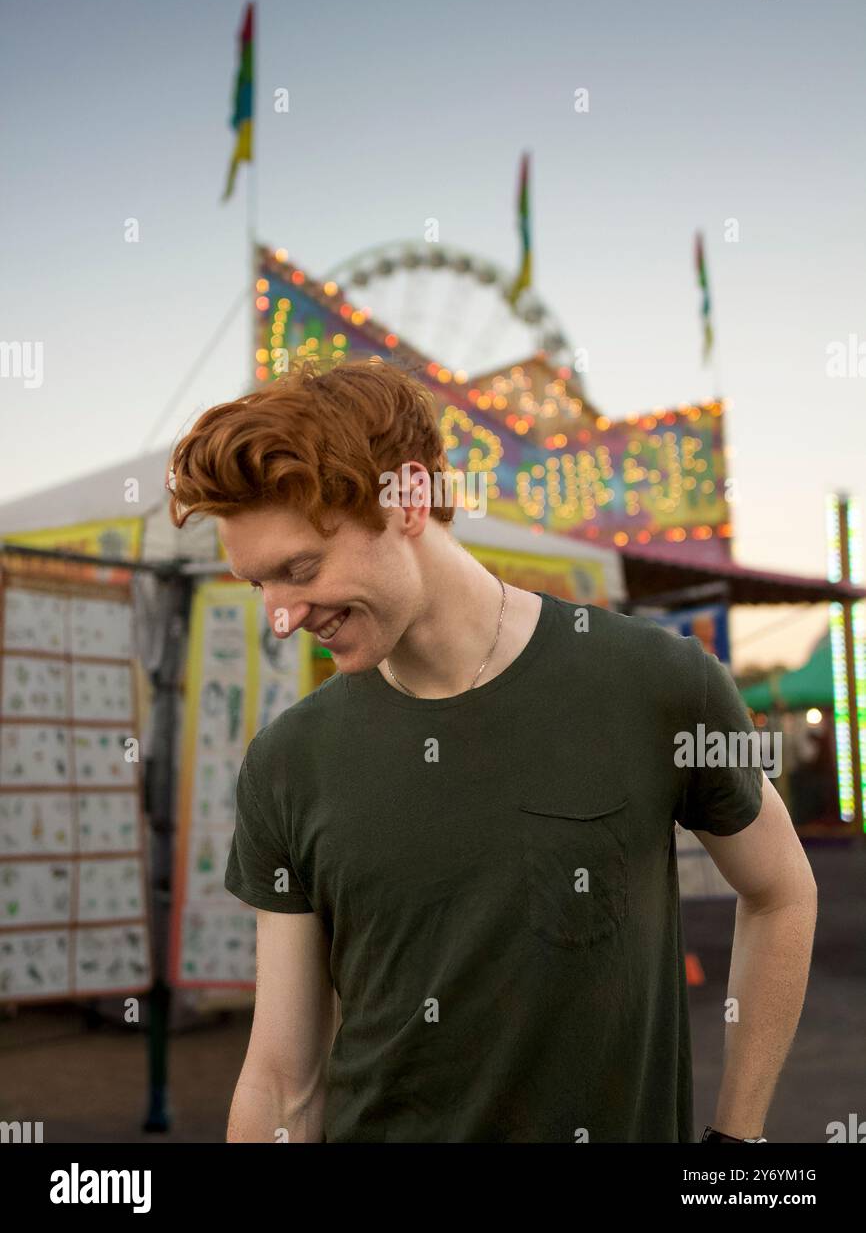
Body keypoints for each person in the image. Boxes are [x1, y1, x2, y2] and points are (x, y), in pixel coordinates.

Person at [166, 357, 817, 1144]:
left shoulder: (657, 683)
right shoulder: (287, 761)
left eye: (299, 570)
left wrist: (736, 1145)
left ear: (408, 501)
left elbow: (782, 893)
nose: (280, 615)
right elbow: (279, 1079)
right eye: (257, 584)